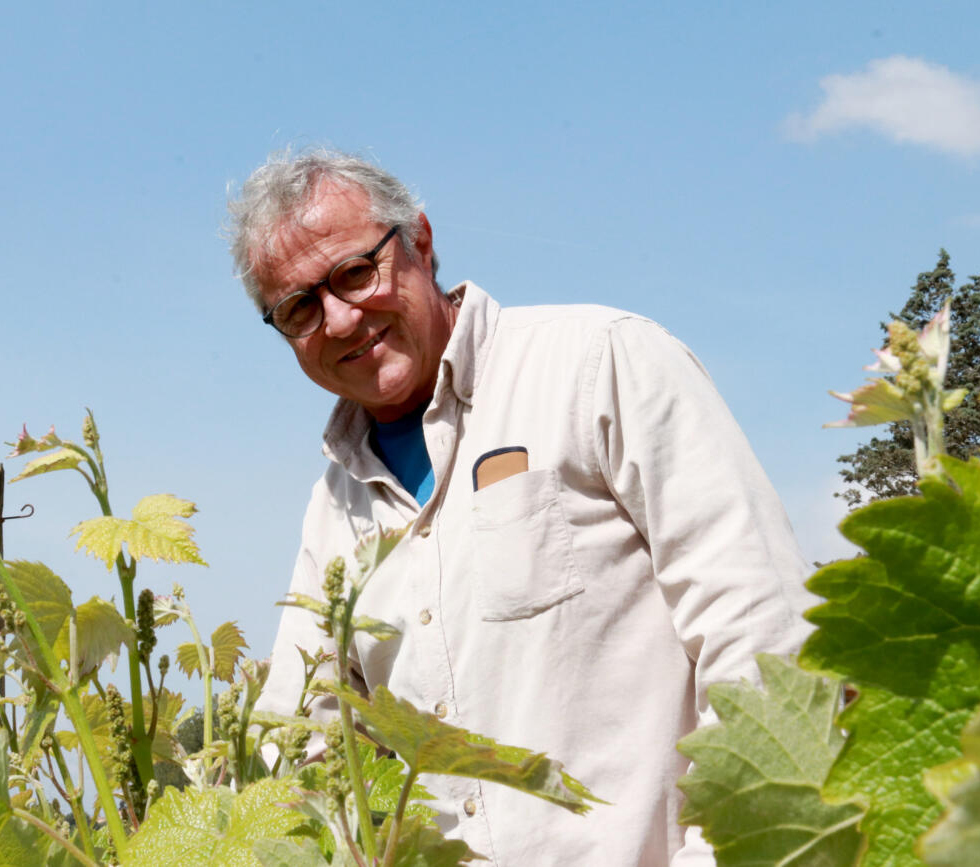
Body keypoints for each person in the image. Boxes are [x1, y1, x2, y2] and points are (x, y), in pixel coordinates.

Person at [228, 148, 815, 866]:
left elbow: (763, 637)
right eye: (299, 307)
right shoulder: (335, 503)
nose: (342, 319)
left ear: (420, 241)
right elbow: (299, 737)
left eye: (355, 272)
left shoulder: (601, 364)